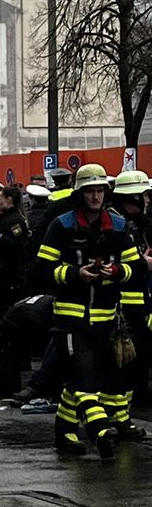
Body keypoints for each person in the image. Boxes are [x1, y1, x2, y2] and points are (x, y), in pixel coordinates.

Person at [36, 163, 144, 459]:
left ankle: (64, 432)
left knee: (85, 380)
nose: (95, 197)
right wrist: (74, 274)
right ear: (80, 193)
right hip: (71, 320)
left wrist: (118, 270)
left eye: (99, 191)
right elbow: (43, 270)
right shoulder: (62, 225)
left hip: (106, 320)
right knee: (85, 380)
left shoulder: (119, 227)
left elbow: (135, 267)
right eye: (90, 191)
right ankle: (100, 431)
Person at [107, 169, 152, 419]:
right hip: (121, 307)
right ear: (130, 198)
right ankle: (119, 414)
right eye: (142, 196)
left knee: (137, 359)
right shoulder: (116, 226)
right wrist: (143, 265)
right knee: (125, 362)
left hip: (138, 305)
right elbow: (119, 268)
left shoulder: (133, 224)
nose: (146, 201)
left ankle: (127, 409)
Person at [0, 185, 29, 330]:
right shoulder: (3, 218)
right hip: (2, 271)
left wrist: (0, 238)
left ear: (9, 200)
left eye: (0, 199)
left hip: (10, 273)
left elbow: (19, 245)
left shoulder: (14, 221)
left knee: (5, 307)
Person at [30, 168, 74, 254]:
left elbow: (40, 228)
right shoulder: (76, 195)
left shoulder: (50, 198)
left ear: (54, 181)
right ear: (69, 180)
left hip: (54, 241)